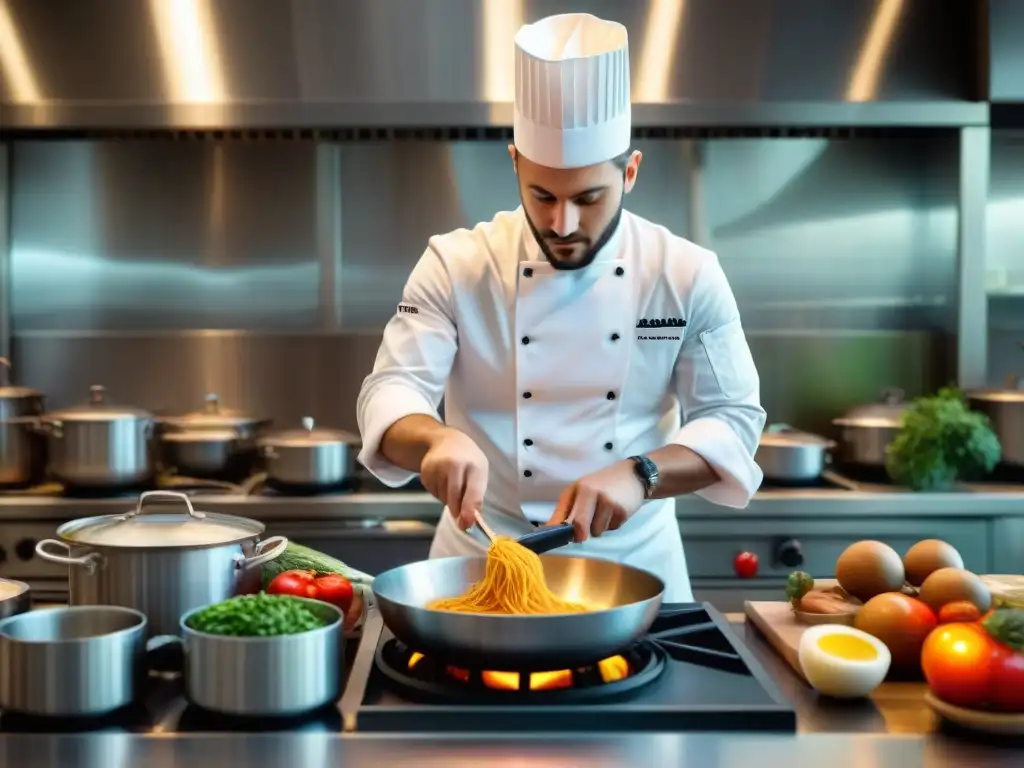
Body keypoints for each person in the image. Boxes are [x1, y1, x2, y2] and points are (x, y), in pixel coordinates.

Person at [356, 12, 765, 602]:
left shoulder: (684, 274)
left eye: (589, 198)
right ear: (516, 162)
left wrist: (641, 474)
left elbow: (734, 419)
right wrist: (433, 442)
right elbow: (389, 391)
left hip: (635, 575)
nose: (561, 223)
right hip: (481, 564)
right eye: (542, 195)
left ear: (630, 172)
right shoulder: (458, 264)